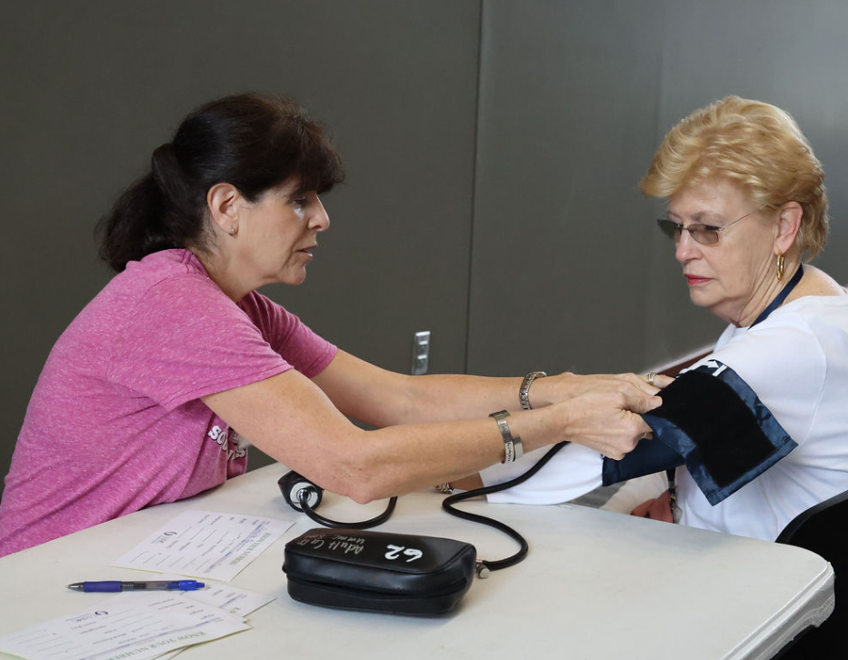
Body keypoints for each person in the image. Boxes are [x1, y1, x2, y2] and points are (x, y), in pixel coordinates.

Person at [0, 92, 662, 557]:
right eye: (300, 201)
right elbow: (355, 466)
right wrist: (558, 424)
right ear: (228, 206)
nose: (321, 220)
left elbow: (401, 397)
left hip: (134, 556)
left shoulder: (237, 306)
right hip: (45, 584)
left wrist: (561, 388)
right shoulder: (173, 306)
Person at [473, 96, 848, 543]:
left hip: (748, 592)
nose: (683, 251)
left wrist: (419, 465)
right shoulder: (816, 298)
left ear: (784, 227)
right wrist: (675, 499)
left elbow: (529, 468)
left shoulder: (787, 350)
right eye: (678, 228)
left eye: (708, 229)